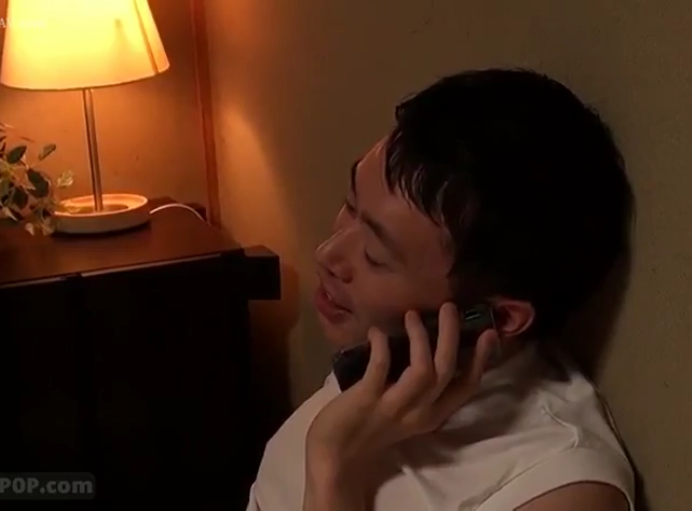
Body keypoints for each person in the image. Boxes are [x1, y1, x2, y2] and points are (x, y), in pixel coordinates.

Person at [248, 68, 637, 511]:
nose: (327, 254)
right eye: (350, 205)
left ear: (497, 317)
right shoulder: (389, 361)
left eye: (374, 255)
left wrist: (335, 468)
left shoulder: (558, 487)